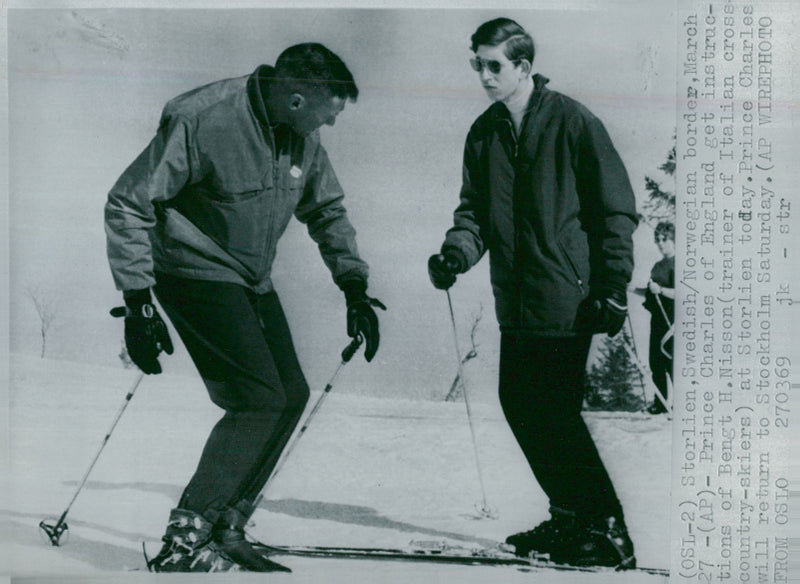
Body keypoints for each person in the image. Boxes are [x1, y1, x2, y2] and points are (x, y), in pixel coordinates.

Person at [105, 43, 385, 573]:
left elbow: (326, 209)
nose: (331, 124)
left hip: (249, 278)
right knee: (257, 399)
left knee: (290, 394)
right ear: (297, 97)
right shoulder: (204, 117)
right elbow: (128, 201)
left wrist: (354, 285)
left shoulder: (302, 137)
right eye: (330, 111)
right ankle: (186, 536)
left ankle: (227, 524)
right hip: (189, 269)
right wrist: (138, 300)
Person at [427, 18, 638, 569]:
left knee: (552, 411)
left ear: (523, 66)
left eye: (494, 65)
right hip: (515, 300)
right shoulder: (484, 132)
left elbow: (615, 207)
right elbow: (474, 212)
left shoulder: (573, 122)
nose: (484, 75)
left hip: (568, 297)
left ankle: (606, 526)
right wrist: (456, 253)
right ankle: (570, 517)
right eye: (478, 64)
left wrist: (613, 284)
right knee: (524, 406)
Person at [643, 222, 675, 414]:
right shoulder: (657, 266)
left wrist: (661, 290)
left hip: (674, 321)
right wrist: (631, 288)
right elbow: (651, 293)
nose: (661, 243)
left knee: (673, 363)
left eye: (665, 239)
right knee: (656, 362)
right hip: (657, 320)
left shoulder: (681, 262)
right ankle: (660, 403)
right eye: (658, 240)